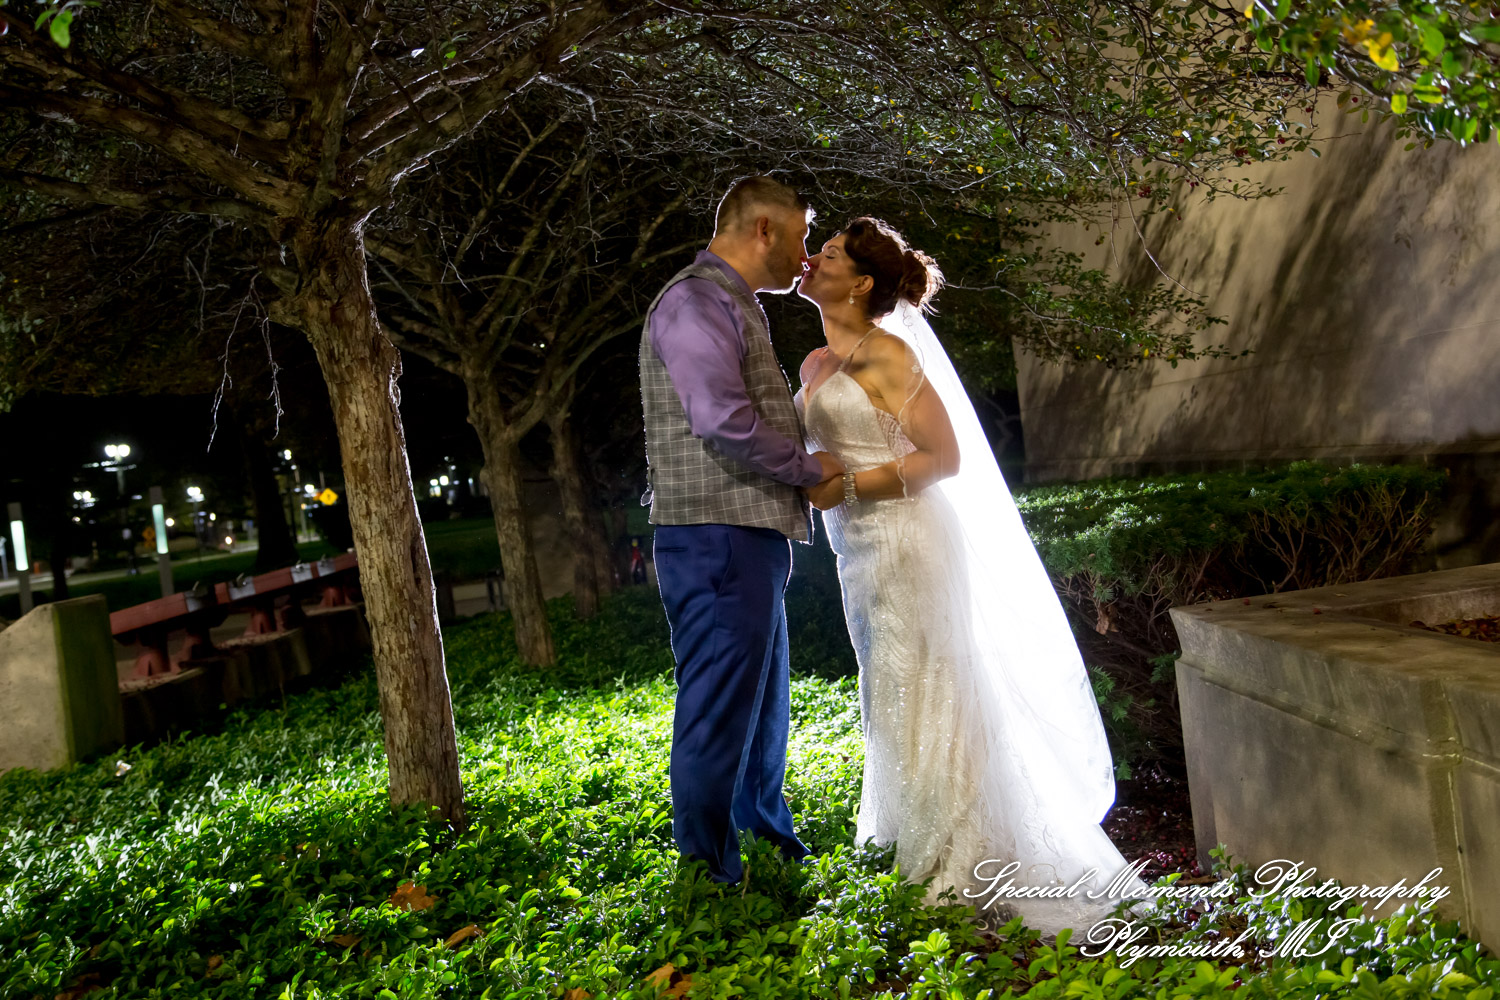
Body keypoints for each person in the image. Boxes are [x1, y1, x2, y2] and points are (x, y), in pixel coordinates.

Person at [793, 217, 1148, 934]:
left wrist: (849, 488)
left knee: (933, 683)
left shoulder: (886, 354)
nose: (811, 259)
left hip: (910, 542)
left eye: (828, 254)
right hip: (856, 554)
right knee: (889, 685)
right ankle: (912, 832)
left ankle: (958, 856)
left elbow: (943, 459)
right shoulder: (812, 367)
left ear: (861, 283)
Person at [639, 175, 845, 885]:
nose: (806, 253)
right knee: (719, 708)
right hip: (714, 535)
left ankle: (762, 834)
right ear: (765, 230)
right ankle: (706, 874)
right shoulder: (695, 301)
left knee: (759, 702)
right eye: (802, 235)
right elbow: (722, 419)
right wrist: (805, 467)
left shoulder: (732, 304)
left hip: (743, 536)